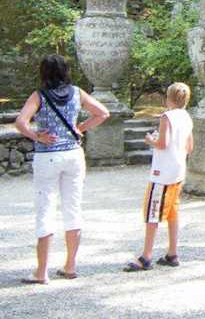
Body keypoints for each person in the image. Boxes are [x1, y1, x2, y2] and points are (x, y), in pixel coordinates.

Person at [15, 54, 110, 284]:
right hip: (73, 155)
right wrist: (81, 128)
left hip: (47, 156)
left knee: (45, 209)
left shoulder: (39, 96)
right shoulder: (78, 93)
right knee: (73, 208)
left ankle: (41, 272)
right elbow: (103, 113)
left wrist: (36, 135)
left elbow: (20, 122)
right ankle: (70, 266)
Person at [124, 83, 194, 271]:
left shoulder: (167, 117)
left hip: (163, 172)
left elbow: (163, 144)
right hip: (178, 170)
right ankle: (172, 252)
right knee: (172, 211)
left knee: (152, 211)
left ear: (168, 98)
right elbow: (190, 147)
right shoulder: (187, 117)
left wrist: (150, 140)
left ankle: (146, 256)